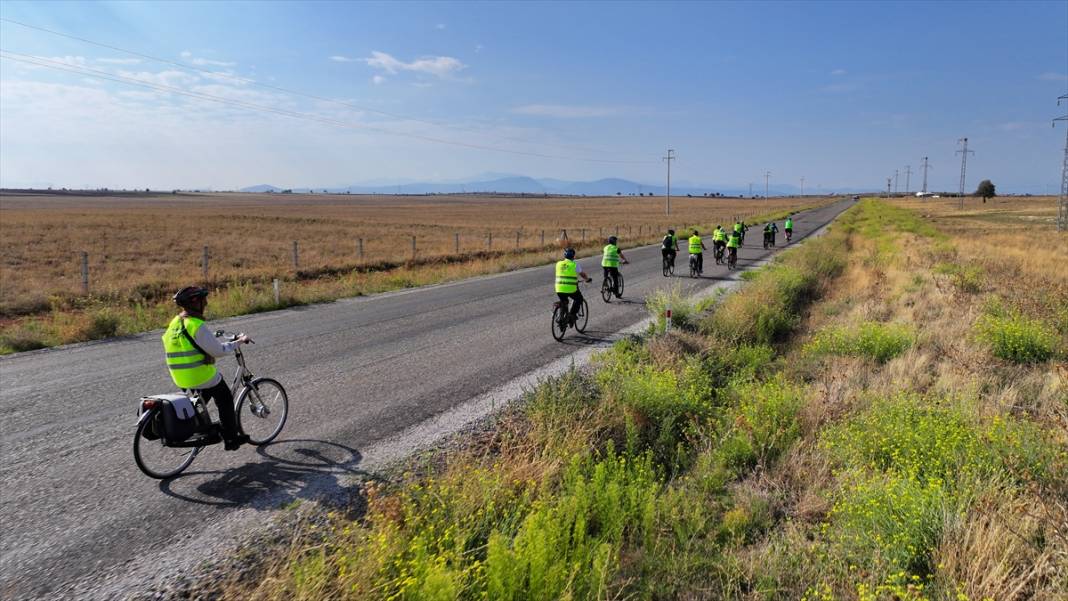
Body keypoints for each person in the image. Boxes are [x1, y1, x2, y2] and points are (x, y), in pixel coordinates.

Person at [162, 286, 251, 450]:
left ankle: (201, 425)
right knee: (224, 397)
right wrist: (239, 341)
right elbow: (218, 351)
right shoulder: (196, 325)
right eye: (204, 300)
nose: (207, 303)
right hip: (199, 375)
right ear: (196, 303)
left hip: (179, 376)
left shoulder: (176, 322)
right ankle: (231, 439)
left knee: (203, 395)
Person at [556, 247, 593, 326]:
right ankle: (572, 315)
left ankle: (561, 318)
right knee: (579, 299)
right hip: (571, 289)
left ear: (564, 256)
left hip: (558, 288)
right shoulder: (574, 264)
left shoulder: (558, 264)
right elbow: (582, 274)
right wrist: (587, 279)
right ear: (573, 256)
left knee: (564, 302)